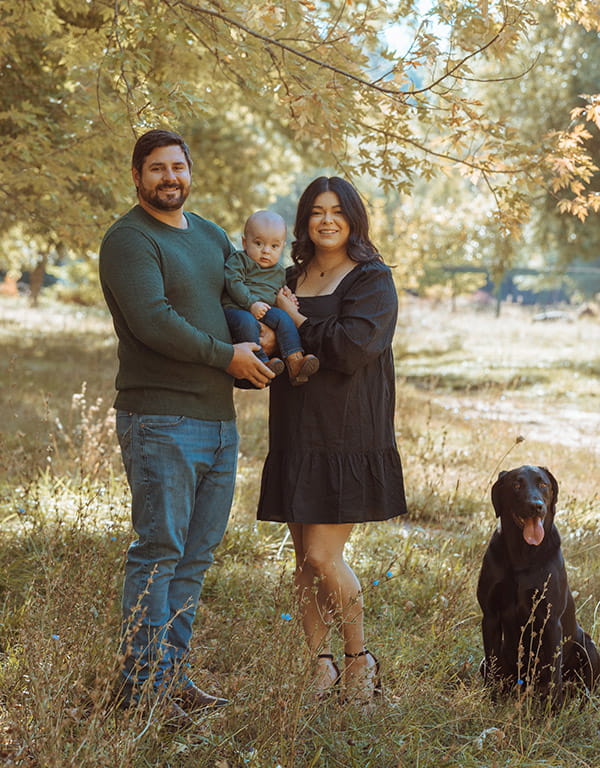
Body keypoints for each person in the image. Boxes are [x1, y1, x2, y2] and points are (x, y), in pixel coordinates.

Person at [99, 129, 274, 723]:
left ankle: (171, 679)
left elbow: (236, 295)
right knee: (158, 552)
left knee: (194, 559)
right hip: (160, 419)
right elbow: (153, 321)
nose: (169, 177)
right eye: (156, 168)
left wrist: (262, 337)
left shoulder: (208, 234)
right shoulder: (129, 239)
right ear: (137, 176)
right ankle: (141, 690)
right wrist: (226, 357)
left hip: (218, 422)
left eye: (178, 166)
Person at [257, 176, 407, 704]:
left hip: (346, 433)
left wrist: (297, 321)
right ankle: (320, 665)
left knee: (323, 555)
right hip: (296, 428)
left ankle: (359, 659)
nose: (326, 220)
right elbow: (272, 339)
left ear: (353, 218)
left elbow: (351, 348)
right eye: (316, 211)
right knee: (302, 559)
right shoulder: (293, 274)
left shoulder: (371, 278)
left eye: (336, 211)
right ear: (305, 220)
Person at [223, 209, 319, 386]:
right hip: (236, 309)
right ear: (245, 242)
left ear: (282, 247)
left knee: (283, 317)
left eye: (274, 246)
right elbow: (233, 282)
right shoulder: (240, 260)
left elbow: (276, 293)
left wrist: (287, 299)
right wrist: (251, 304)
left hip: (263, 310)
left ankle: (295, 360)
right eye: (259, 243)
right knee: (247, 321)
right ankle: (259, 361)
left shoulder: (278, 271)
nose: (266, 251)